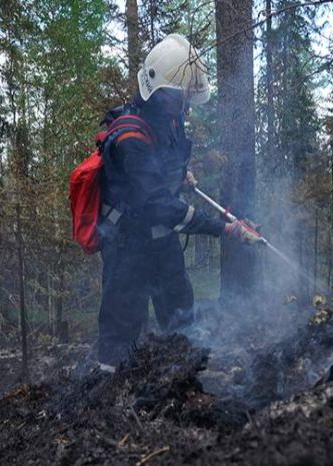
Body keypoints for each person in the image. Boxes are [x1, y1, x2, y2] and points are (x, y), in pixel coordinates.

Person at [97, 33, 261, 370]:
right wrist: (224, 228)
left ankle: (186, 382)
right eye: (179, 97)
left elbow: (166, 167)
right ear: (158, 93)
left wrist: (180, 177)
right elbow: (158, 205)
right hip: (127, 246)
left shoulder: (168, 119)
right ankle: (106, 399)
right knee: (121, 333)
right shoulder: (129, 137)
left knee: (182, 319)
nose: (185, 105)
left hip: (162, 243)